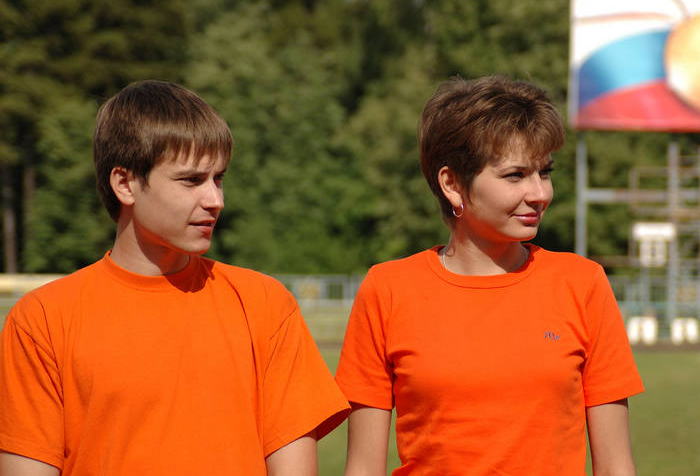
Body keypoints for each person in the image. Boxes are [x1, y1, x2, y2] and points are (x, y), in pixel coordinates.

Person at [0, 80, 350, 475]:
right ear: (125, 184)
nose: (216, 200)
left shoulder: (265, 305)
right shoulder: (43, 321)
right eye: (191, 180)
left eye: (218, 178)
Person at [335, 75, 644, 475]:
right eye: (515, 175)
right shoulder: (388, 289)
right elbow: (363, 467)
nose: (540, 193)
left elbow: (616, 466)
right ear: (452, 184)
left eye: (544, 172)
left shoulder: (583, 283)